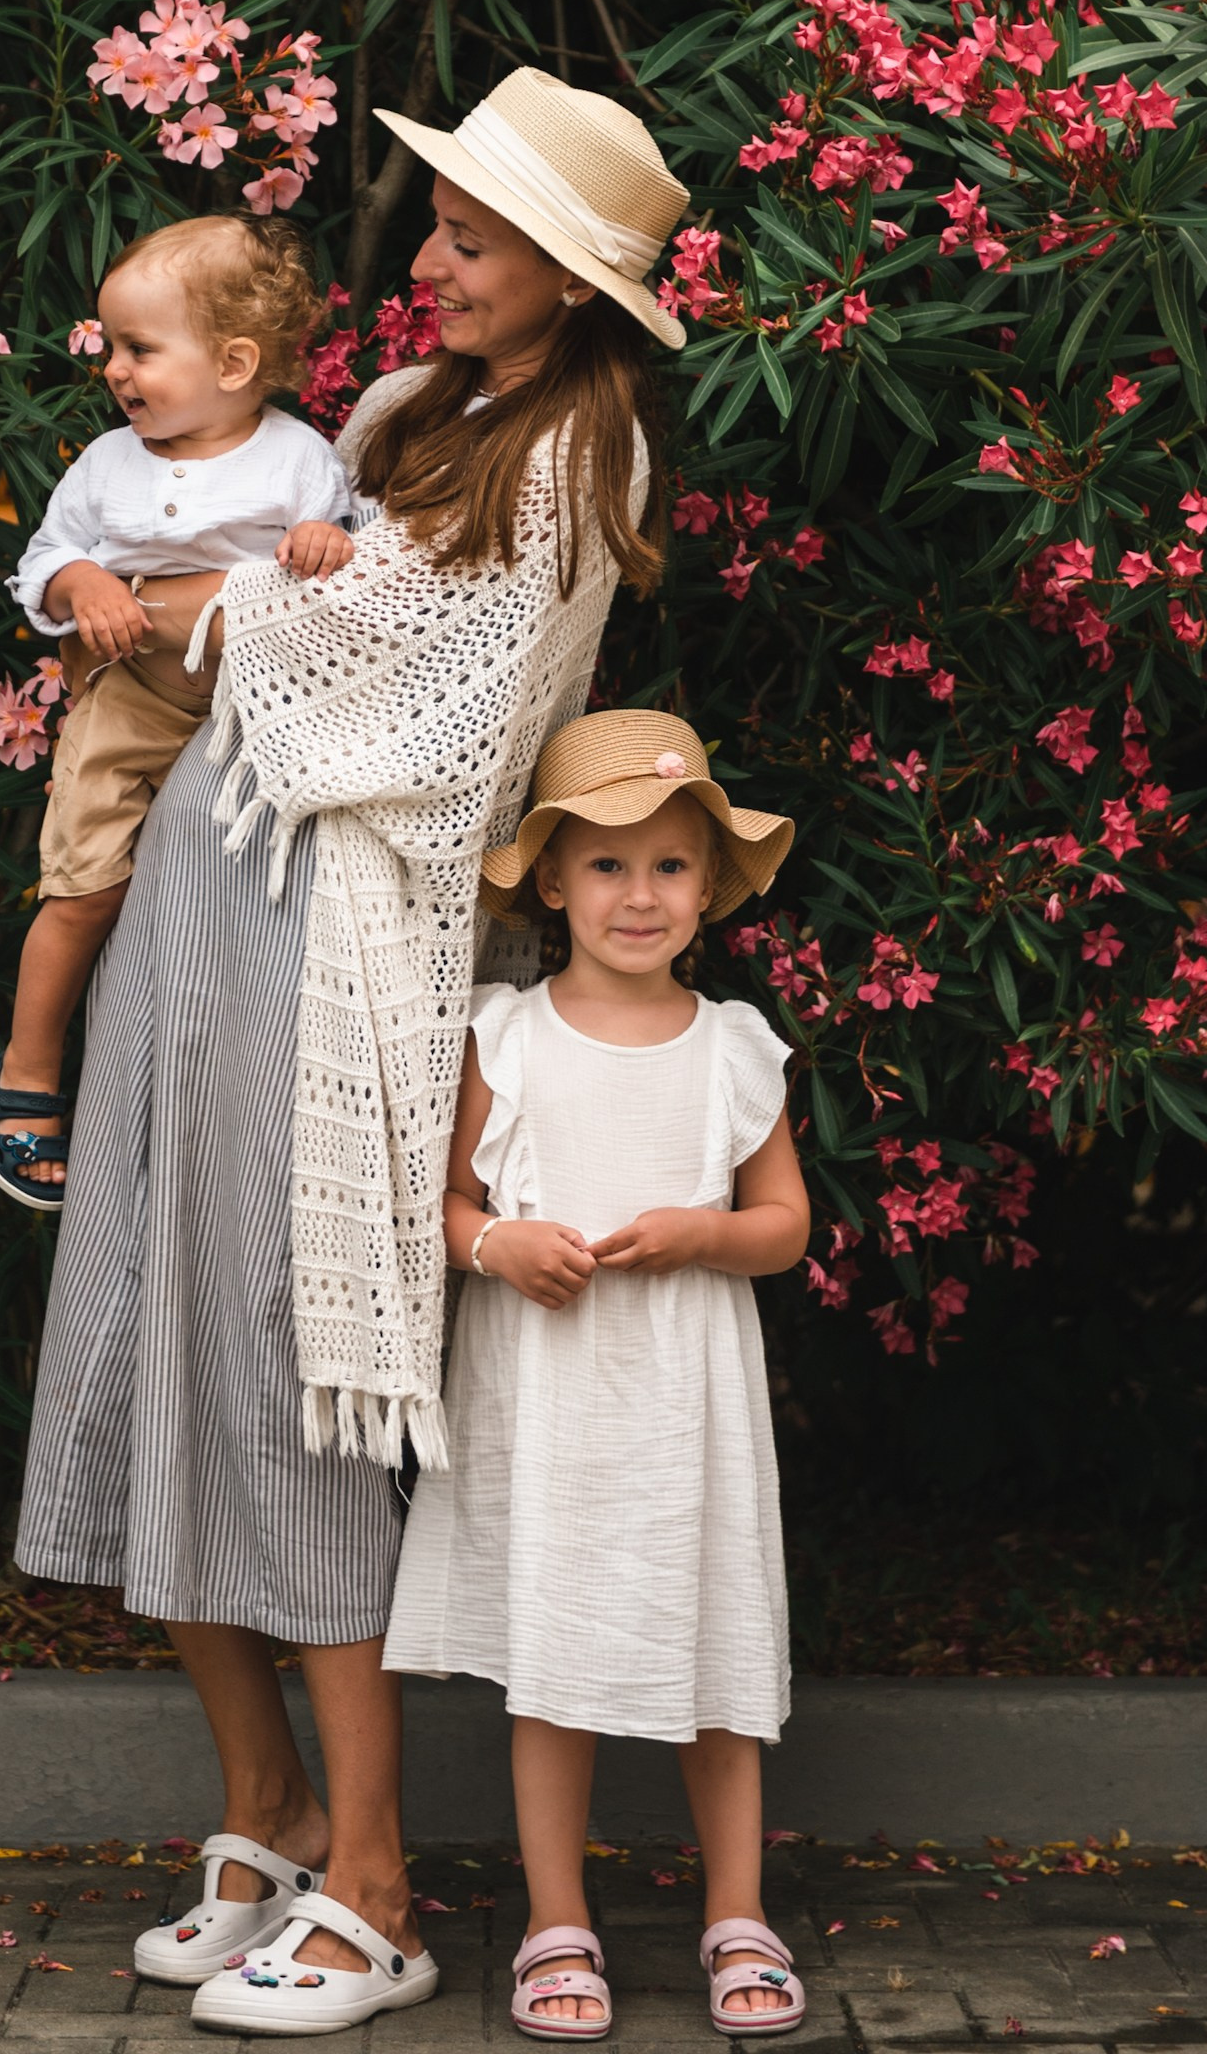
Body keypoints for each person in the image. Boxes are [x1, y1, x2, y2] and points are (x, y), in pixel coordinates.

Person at [12, 69, 691, 2038]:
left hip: (341, 960)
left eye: (476, 238)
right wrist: (177, 615)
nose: (435, 259)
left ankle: (380, 1888)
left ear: (569, 277)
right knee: (146, 1329)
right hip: (195, 905)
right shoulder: (394, 418)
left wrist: (180, 614)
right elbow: (221, 628)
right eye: (443, 225)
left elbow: (406, 696)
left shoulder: (579, 459)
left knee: (289, 1382)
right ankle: (271, 1811)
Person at [382, 710, 809, 2041]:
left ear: (707, 889)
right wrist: (500, 1243)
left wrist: (702, 1233)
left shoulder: (731, 1047)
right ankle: (557, 1920)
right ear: (553, 881)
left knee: (716, 1647)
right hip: (552, 1400)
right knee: (555, 1656)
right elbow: (443, 1209)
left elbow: (786, 1226)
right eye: (609, 866)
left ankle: (737, 1912)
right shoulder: (501, 1036)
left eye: (670, 866)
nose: (640, 894)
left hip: (688, 1399)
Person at [0, 218, 356, 1207]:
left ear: (233, 362)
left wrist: (321, 538)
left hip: (252, 706)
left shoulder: (299, 461)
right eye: (110, 347)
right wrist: (86, 582)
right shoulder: (109, 463)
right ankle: (25, 1068)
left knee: (235, 905)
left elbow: (347, 564)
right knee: (86, 884)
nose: (115, 370)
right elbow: (42, 565)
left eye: (141, 349)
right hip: (132, 694)